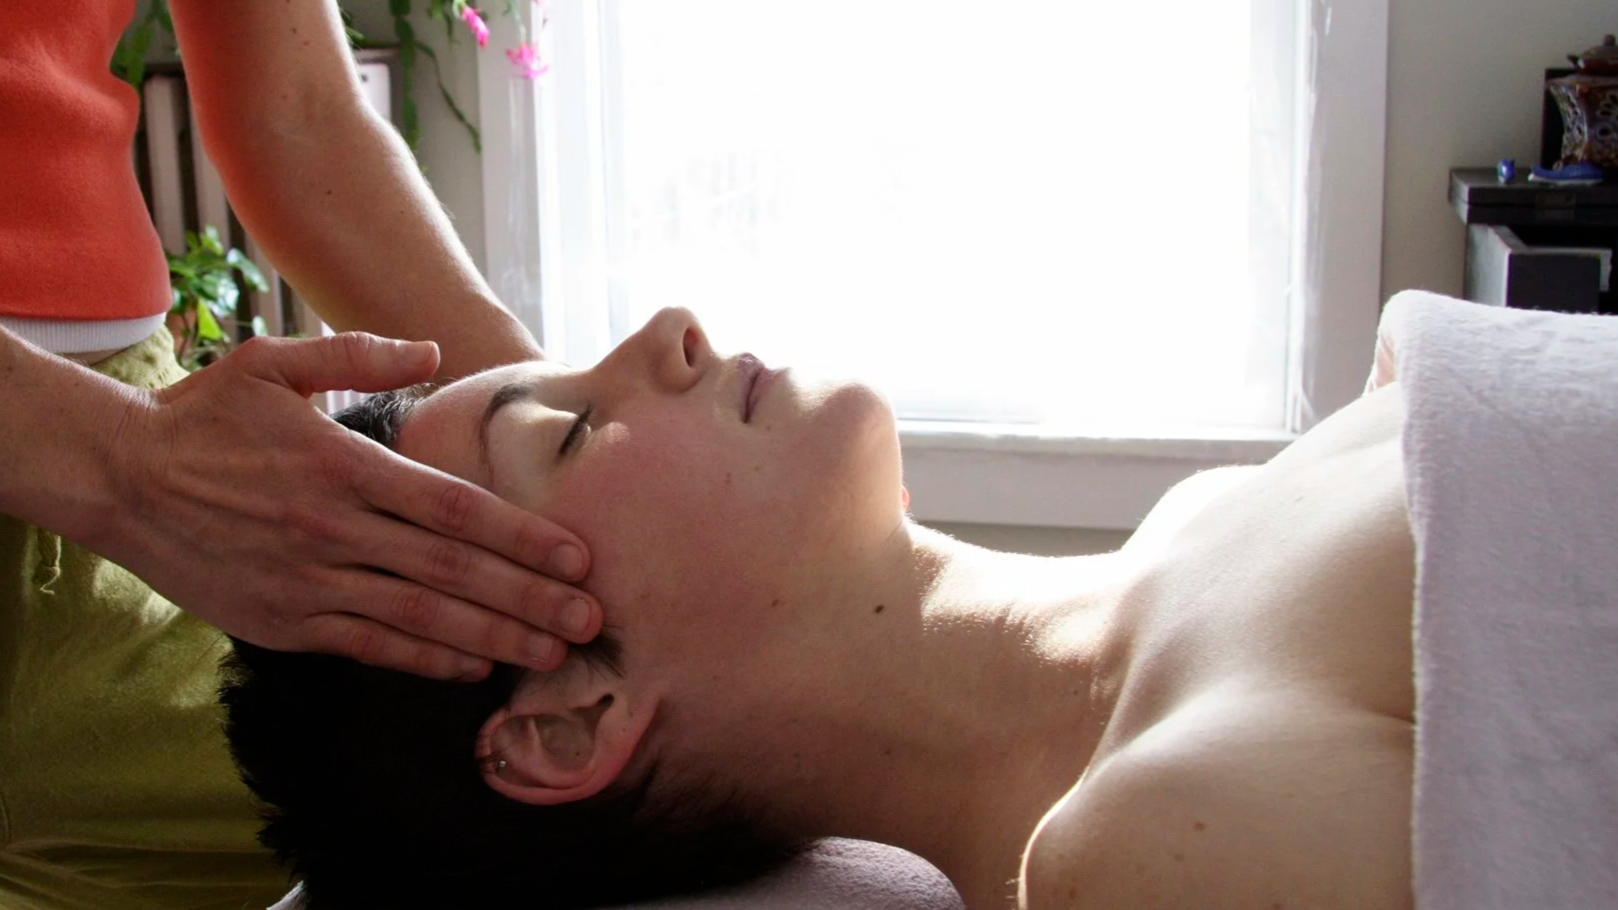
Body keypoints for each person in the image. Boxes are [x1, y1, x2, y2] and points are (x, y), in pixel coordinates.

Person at [223, 307, 1418, 910]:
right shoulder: (1162, 842)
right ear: (565, 722)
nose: (669, 331)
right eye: (567, 431)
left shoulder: (1203, 517)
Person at [1, 1, 603, 906]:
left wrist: (542, 406)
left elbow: (297, 117)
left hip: (125, 411)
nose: (675, 335)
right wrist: (116, 456)